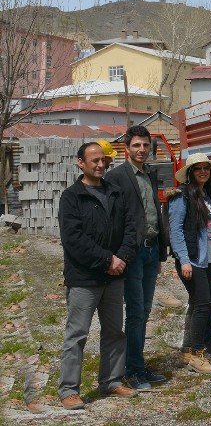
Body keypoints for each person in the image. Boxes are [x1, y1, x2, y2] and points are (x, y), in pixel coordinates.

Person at [58, 142, 137, 409]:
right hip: (84, 278)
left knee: (115, 331)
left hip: (114, 277)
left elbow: (130, 228)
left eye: (103, 160)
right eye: (94, 160)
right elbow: (73, 239)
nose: (100, 165)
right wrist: (107, 260)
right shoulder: (72, 197)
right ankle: (69, 390)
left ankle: (112, 381)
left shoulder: (115, 193)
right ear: (80, 162)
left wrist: (122, 258)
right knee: (77, 335)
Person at [104, 125, 167, 391]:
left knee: (146, 310)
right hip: (133, 252)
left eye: (145, 145)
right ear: (126, 148)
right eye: (136, 145)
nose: (141, 150)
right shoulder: (117, 176)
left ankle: (138, 363)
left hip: (152, 249)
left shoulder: (149, 174)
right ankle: (133, 369)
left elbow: (153, 211)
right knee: (136, 311)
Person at [166, 153, 211, 375]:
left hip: (207, 260)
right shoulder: (182, 197)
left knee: (198, 303)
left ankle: (187, 348)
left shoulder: (206, 196)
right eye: (198, 168)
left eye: (205, 168)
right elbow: (176, 230)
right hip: (192, 260)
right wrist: (184, 260)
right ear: (189, 173)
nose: (202, 172)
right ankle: (197, 353)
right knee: (203, 304)